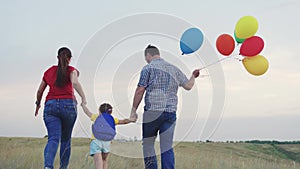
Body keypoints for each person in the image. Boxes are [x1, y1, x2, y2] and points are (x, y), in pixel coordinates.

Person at [130, 45, 200, 169]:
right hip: (170, 113)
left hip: (152, 112)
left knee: (148, 145)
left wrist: (133, 110)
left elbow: (140, 90)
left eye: (146, 57)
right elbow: (188, 86)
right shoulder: (174, 69)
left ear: (148, 55)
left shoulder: (147, 68)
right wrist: (193, 76)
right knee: (166, 147)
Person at [34, 47, 87, 169]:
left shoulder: (49, 71)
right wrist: (83, 98)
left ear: (57, 58)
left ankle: (48, 166)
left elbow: (39, 91)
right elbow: (74, 82)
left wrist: (38, 104)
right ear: (70, 59)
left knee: (53, 138)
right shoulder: (72, 70)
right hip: (68, 105)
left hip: (50, 106)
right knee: (66, 139)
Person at [81, 102, 134, 169]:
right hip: (107, 142)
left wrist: (83, 105)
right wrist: (131, 119)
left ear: (100, 111)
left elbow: (87, 112)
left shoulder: (96, 117)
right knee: (104, 160)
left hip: (96, 141)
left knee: (98, 162)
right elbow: (124, 121)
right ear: (110, 112)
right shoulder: (113, 119)